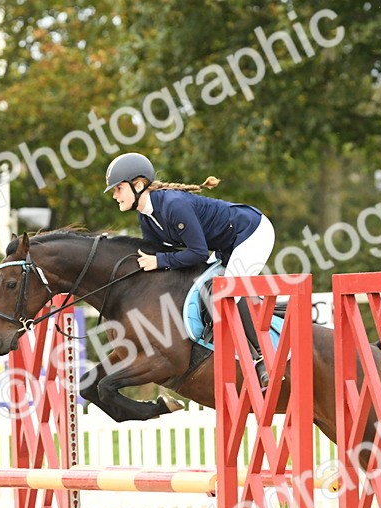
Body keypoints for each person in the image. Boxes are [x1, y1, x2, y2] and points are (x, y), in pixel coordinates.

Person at [103, 152, 275, 386]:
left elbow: (197, 254)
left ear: (139, 185)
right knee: (209, 287)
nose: (114, 195)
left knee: (229, 290)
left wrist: (160, 261)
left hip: (251, 233)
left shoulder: (174, 206)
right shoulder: (146, 218)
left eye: (118, 189)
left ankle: (263, 356)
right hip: (226, 245)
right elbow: (163, 256)